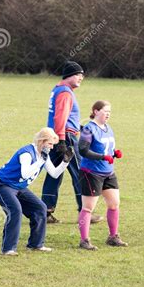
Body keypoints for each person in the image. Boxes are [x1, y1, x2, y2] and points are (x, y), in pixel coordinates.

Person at [0, 128, 74, 255]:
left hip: (18, 186)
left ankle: (36, 244)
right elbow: (25, 174)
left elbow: (54, 173)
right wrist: (41, 161)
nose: (52, 148)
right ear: (42, 141)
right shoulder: (27, 153)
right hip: (3, 184)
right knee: (15, 210)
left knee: (40, 207)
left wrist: (65, 162)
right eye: (50, 144)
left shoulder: (43, 155)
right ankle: (8, 249)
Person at [42, 61, 103, 224]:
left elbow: (61, 117)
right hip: (65, 138)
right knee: (82, 172)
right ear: (69, 75)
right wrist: (63, 140)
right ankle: (85, 212)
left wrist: (78, 127)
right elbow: (60, 117)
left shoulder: (57, 89)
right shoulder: (65, 93)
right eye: (78, 74)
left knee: (54, 173)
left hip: (55, 136)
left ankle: (45, 211)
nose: (81, 78)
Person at [77, 100, 126, 250]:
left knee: (114, 204)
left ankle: (113, 237)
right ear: (96, 111)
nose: (108, 115)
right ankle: (84, 240)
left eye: (110, 112)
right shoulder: (88, 129)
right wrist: (102, 157)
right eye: (105, 111)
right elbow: (83, 150)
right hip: (91, 173)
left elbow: (106, 148)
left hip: (108, 172)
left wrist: (114, 153)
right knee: (88, 208)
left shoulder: (108, 128)